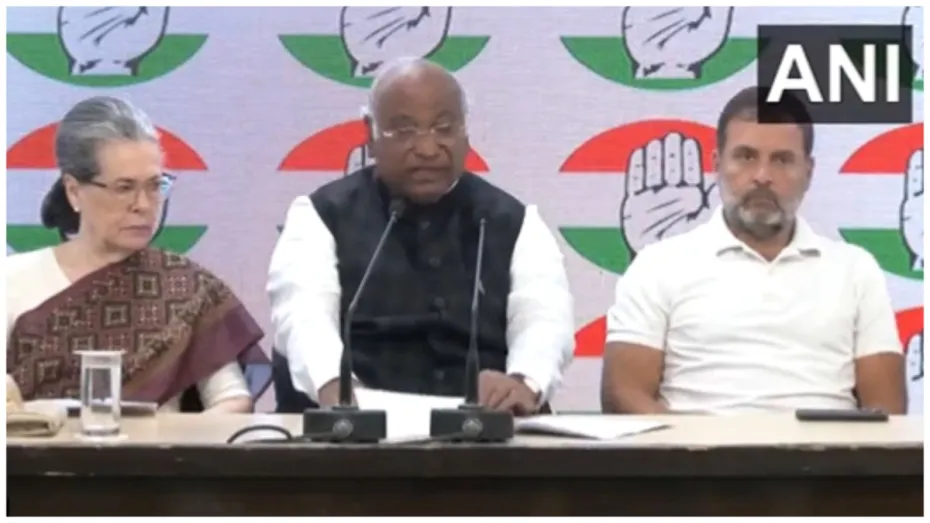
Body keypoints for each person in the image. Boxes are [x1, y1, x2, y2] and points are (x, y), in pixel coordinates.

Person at [268, 57, 575, 415]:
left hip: (486, 430)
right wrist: (337, 389)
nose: (428, 149)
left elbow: (544, 319)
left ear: (465, 133)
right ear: (370, 134)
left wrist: (524, 382)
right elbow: (304, 319)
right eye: (404, 131)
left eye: (444, 128)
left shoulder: (514, 221)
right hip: (357, 431)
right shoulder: (320, 216)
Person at [601, 86, 906, 415]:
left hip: (826, 448)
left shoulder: (855, 269)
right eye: (746, 157)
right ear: (717, 164)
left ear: (808, 173)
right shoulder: (658, 264)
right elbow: (623, 393)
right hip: (696, 446)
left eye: (782, 160)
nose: (762, 176)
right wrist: (689, 446)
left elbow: (886, 409)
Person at [6, 96, 268, 413]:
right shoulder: (12, 280)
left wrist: (175, 439)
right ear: (74, 191)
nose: (143, 205)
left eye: (155, 186)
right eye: (124, 187)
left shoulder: (186, 287)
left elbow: (231, 399)